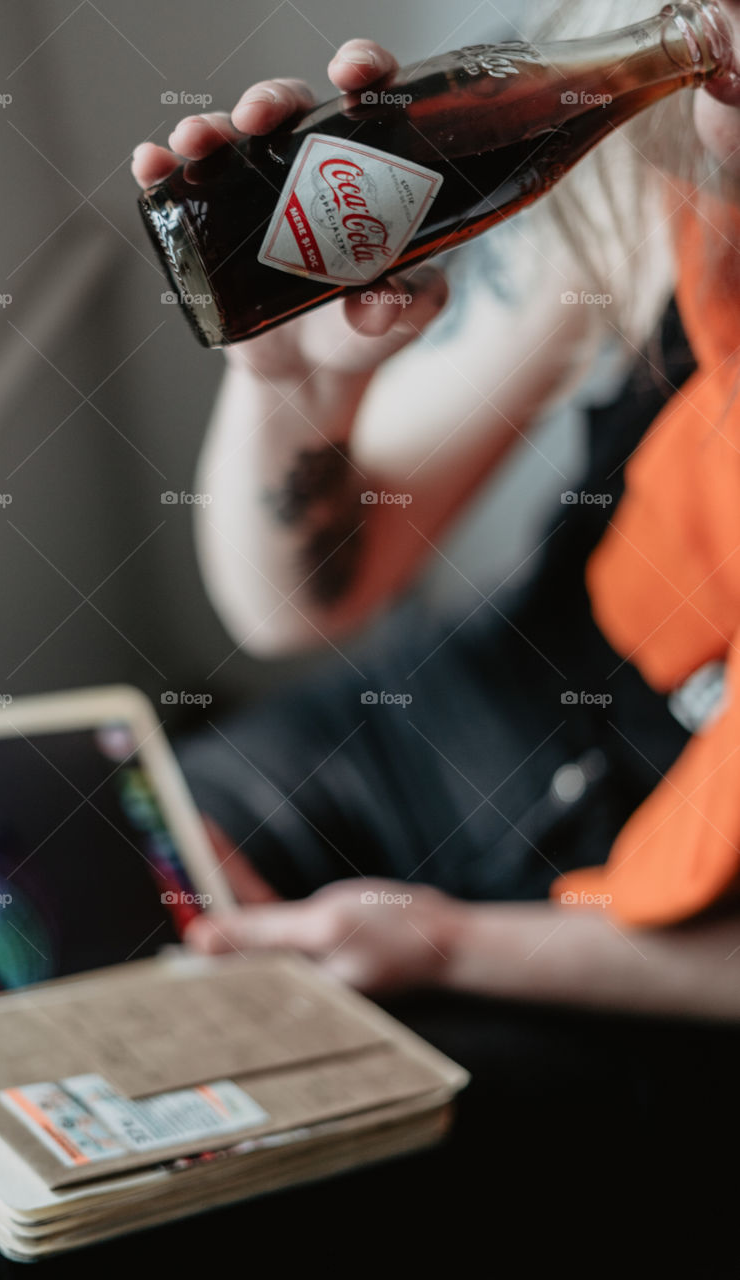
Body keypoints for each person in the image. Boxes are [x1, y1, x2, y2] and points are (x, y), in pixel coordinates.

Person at [130, 9, 740, 1019]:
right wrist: (294, 390)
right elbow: (297, 605)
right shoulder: (668, 175)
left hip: (629, 955)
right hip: (430, 729)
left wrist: (446, 944)